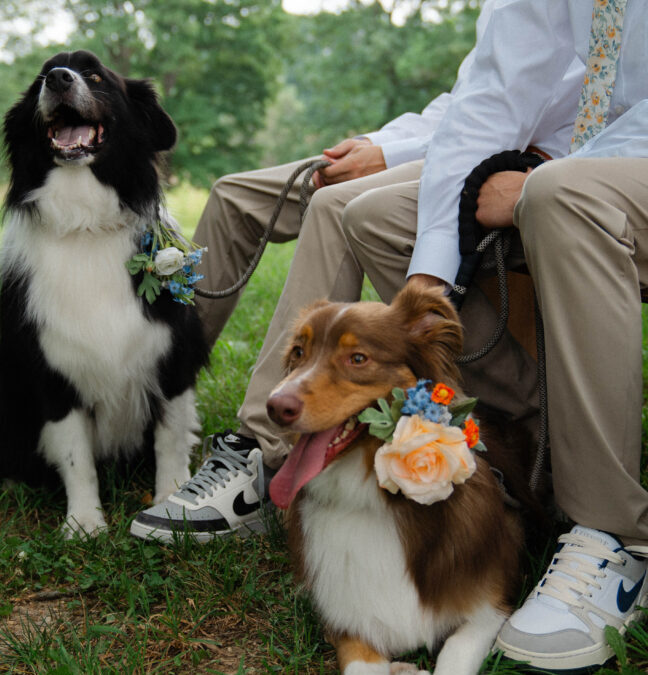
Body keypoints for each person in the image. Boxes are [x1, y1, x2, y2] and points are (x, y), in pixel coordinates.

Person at [131, 0, 583, 541]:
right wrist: (381, 143)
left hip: (528, 162)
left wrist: (393, 156)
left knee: (336, 207)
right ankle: (154, 400)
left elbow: (532, 117)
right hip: (454, 145)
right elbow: (471, 101)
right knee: (234, 194)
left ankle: (260, 452)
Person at [338, 1, 648, 671]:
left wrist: (546, 178)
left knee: (562, 195)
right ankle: (531, 440)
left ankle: (612, 532)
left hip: (608, 165)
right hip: (581, 166)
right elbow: (493, 93)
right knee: (377, 218)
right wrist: (423, 286)